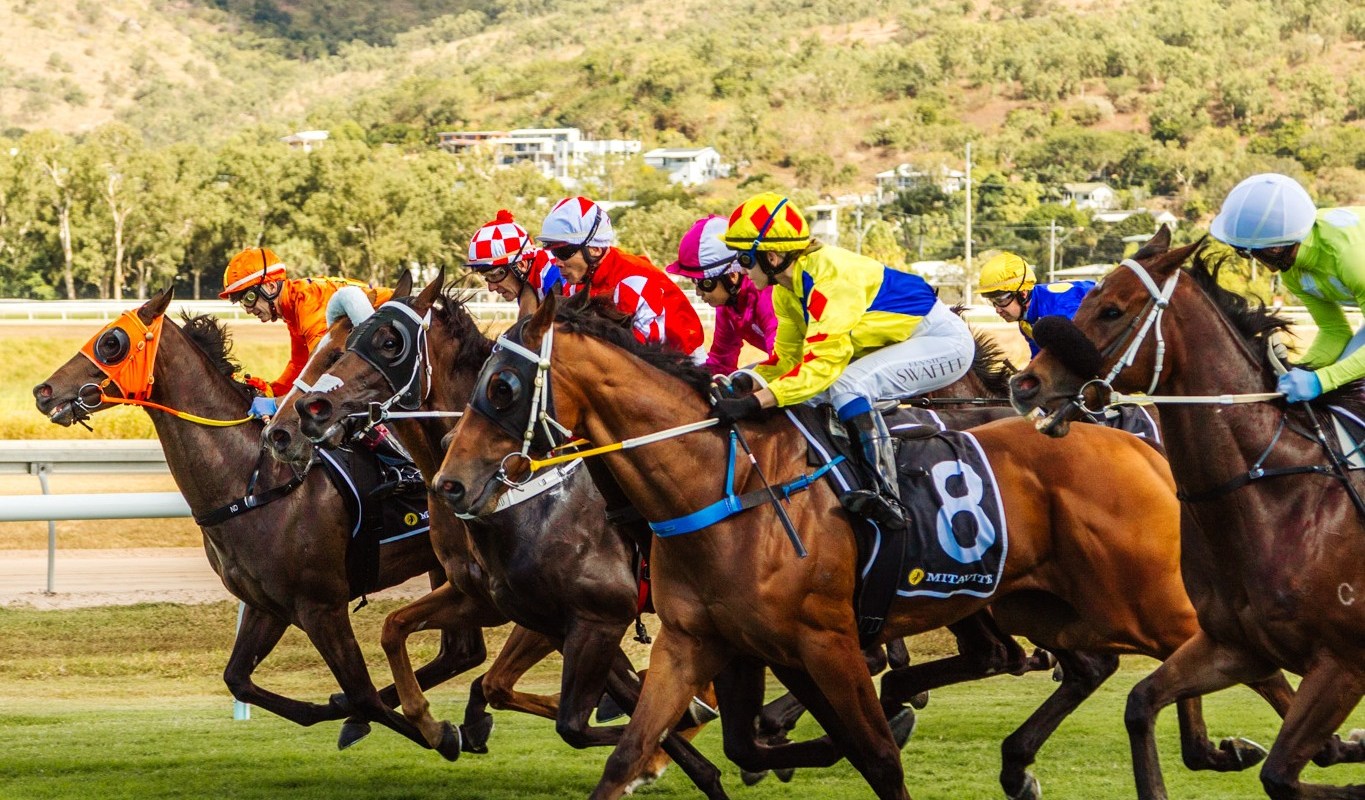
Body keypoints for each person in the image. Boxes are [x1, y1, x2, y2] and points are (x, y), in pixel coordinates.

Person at [710, 192, 974, 530]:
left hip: (941, 342)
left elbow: (821, 366)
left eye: (743, 259)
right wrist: (740, 381)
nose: (739, 269)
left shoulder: (831, 277)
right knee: (811, 391)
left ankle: (886, 494)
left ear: (772, 256)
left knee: (846, 385)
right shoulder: (784, 291)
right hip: (903, 341)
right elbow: (788, 360)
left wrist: (754, 403)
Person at [1210, 172, 1365, 402]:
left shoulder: (1348, 255)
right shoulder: (1292, 270)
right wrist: (1296, 371)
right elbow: (1335, 331)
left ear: (1275, 248)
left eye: (1248, 252)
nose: (1252, 260)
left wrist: (1321, 381)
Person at [219, 246, 393, 415]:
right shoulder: (293, 306)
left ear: (271, 286)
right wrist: (271, 390)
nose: (248, 309)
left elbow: (324, 372)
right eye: (242, 303)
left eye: (249, 298)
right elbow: (299, 364)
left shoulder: (307, 302)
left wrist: (278, 403)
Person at [536, 196, 706, 359]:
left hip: (679, 364)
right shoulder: (576, 280)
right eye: (553, 253)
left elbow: (644, 360)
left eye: (562, 252)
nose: (557, 262)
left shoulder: (634, 283)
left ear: (595, 248)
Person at [666, 215, 777, 375]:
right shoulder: (728, 306)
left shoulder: (767, 297)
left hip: (816, 368)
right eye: (694, 282)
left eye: (704, 284)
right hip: (794, 367)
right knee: (736, 381)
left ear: (732, 276)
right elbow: (721, 363)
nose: (698, 292)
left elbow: (783, 361)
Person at [976, 251, 1094, 358]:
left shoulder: (1057, 314)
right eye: (993, 302)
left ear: (1023, 294)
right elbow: (1039, 357)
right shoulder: (1025, 321)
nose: (997, 310)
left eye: (1001, 301)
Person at [466, 209, 563, 317]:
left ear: (521, 265)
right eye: (486, 277)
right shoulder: (525, 282)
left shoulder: (554, 273)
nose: (491, 288)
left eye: (494, 275)